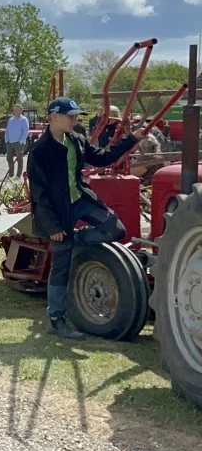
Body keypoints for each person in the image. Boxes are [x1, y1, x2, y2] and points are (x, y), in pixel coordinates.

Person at [27, 97, 144, 340]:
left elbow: (102, 157)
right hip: (58, 212)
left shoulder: (76, 139)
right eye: (71, 116)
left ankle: (76, 240)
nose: (75, 119)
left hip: (80, 201)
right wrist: (54, 227)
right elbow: (39, 194)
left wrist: (131, 139)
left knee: (115, 229)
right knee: (60, 266)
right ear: (54, 117)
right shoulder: (40, 151)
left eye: (76, 116)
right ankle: (56, 319)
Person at [4, 103, 31, 178]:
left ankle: (18, 175)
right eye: (15, 110)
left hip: (19, 143)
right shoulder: (11, 120)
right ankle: (11, 174)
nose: (15, 111)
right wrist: (6, 139)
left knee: (19, 159)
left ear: (21, 111)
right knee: (9, 158)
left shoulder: (24, 120)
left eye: (17, 110)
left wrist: (21, 141)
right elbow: (8, 130)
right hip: (9, 142)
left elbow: (25, 131)